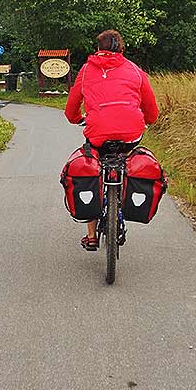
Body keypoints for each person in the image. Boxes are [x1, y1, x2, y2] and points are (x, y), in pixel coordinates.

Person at [64, 29, 159, 251]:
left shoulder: (87, 71)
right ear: (122, 49)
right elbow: (152, 112)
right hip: (131, 134)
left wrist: (78, 119)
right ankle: (124, 202)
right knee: (127, 161)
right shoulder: (136, 71)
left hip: (97, 134)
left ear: (98, 49)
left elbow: (71, 110)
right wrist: (146, 120)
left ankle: (91, 235)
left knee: (92, 168)